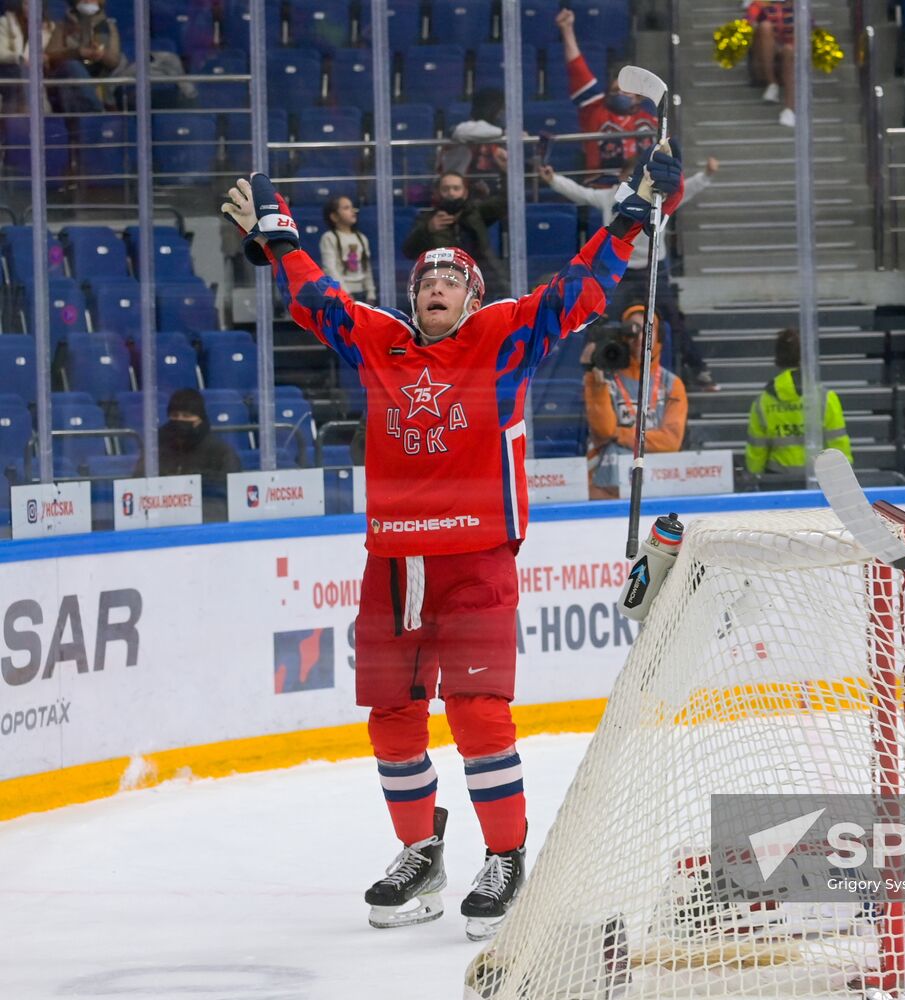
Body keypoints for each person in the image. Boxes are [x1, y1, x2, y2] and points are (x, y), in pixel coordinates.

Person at [220, 144, 684, 934]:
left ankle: (505, 857)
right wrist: (282, 241)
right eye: (425, 281)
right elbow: (322, 299)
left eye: (452, 280)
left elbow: (577, 291)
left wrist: (635, 215)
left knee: (476, 713)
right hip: (393, 564)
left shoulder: (502, 336)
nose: (436, 287)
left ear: (472, 296)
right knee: (391, 718)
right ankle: (420, 853)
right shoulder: (380, 342)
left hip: (476, 560)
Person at [538, 155, 721, 390]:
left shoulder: (658, 199)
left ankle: (698, 370)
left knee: (674, 322)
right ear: (623, 177)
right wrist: (553, 179)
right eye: (631, 176)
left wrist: (706, 175)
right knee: (597, 319)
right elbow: (580, 193)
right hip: (618, 272)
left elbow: (685, 192)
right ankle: (592, 370)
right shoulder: (610, 196)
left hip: (651, 271)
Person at [582, 301, 688, 500]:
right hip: (606, 488)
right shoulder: (604, 377)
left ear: (659, 337)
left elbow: (671, 441)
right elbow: (603, 430)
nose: (640, 338)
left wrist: (619, 434)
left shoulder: (672, 384)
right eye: (633, 332)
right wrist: (593, 380)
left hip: (659, 486)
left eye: (648, 331)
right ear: (623, 337)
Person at [555, 7, 659, 177]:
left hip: (645, 189)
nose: (619, 94)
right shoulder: (595, 109)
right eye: (615, 90)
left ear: (638, 97)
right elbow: (577, 68)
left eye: (625, 91)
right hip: (603, 188)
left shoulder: (651, 119)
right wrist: (567, 30)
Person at [745, 328, 852, 478]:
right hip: (820, 480)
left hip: (778, 480)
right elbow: (838, 443)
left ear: (778, 358)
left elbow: (757, 450)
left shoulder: (763, 401)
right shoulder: (825, 397)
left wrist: (754, 477)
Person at [131, 387, 241, 522]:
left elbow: (228, 493)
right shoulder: (156, 447)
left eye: (187, 416)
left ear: (200, 418)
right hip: (161, 517)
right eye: (175, 415)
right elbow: (139, 480)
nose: (180, 420)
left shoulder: (219, 452)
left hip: (205, 519)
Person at [401, 170, 507, 299]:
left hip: (484, 278)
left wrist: (505, 171)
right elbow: (408, 251)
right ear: (438, 193)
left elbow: (506, 201)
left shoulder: (477, 212)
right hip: (444, 283)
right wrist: (428, 229)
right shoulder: (427, 220)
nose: (451, 193)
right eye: (446, 189)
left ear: (465, 192)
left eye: (456, 188)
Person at [49, 0, 126, 110]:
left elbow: (114, 61)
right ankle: (95, 111)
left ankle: (98, 110)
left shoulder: (109, 27)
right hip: (70, 85)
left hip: (101, 80)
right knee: (72, 66)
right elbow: (51, 55)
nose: (87, 1)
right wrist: (78, 53)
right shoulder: (63, 26)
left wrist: (101, 54)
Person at [319, 194, 376, 304]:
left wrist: (371, 293)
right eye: (346, 208)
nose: (353, 211)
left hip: (362, 293)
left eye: (352, 207)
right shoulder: (329, 238)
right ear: (334, 216)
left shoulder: (361, 238)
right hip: (341, 294)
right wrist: (345, 293)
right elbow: (330, 269)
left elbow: (366, 267)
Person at [746, 0, 796, 126]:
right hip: (761, 61)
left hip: (788, 57)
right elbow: (746, 23)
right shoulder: (759, 3)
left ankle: (789, 109)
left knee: (789, 50)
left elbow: (812, 31)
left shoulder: (800, 7)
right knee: (765, 27)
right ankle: (771, 84)